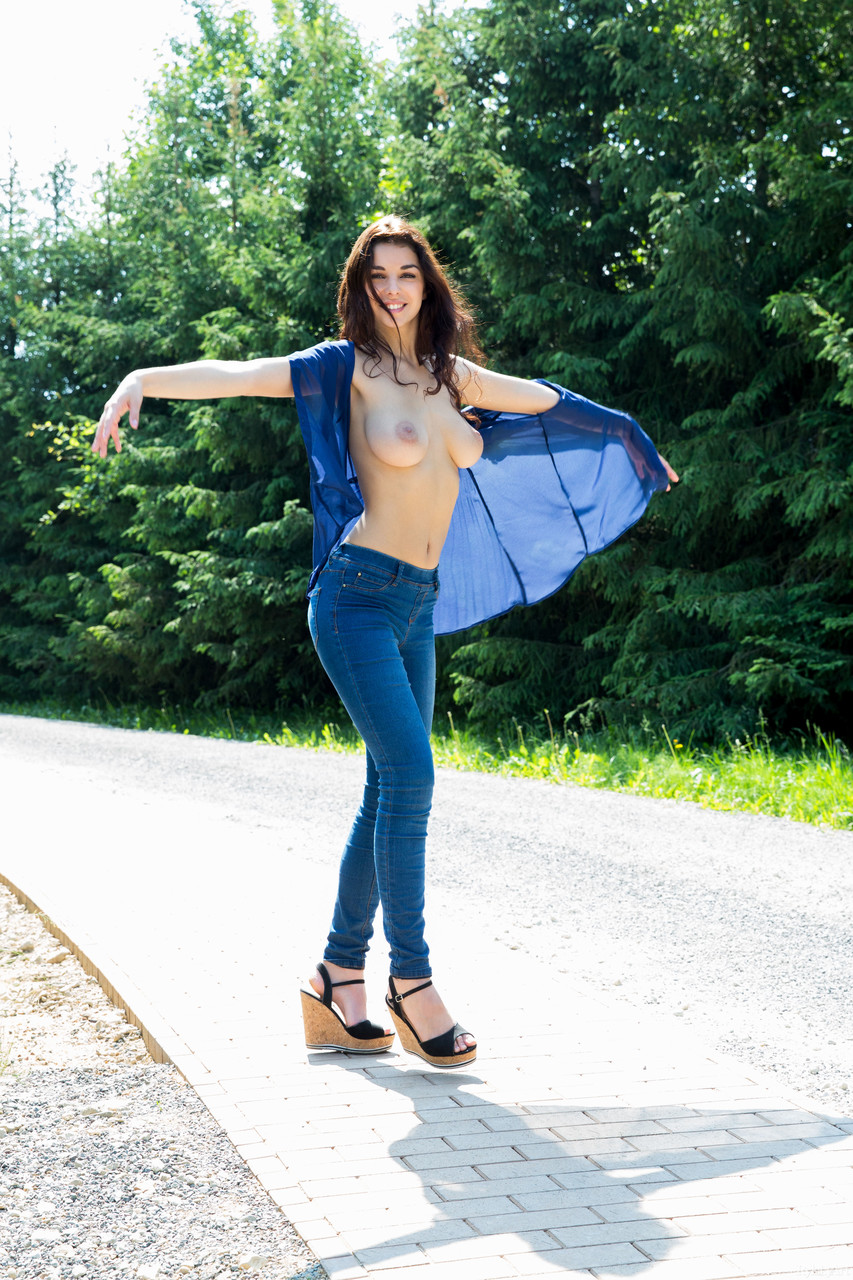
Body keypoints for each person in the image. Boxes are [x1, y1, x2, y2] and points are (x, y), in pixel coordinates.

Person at [93, 215, 678, 1069]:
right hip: (356, 599)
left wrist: (626, 436)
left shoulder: (451, 374)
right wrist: (142, 377)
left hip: (416, 602)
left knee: (385, 789)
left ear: (426, 284)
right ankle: (412, 979)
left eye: (407, 275)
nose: (394, 290)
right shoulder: (344, 368)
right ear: (361, 290)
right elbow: (239, 376)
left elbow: (546, 399)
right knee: (411, 776)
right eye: (379, 278)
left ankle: (336, 979)